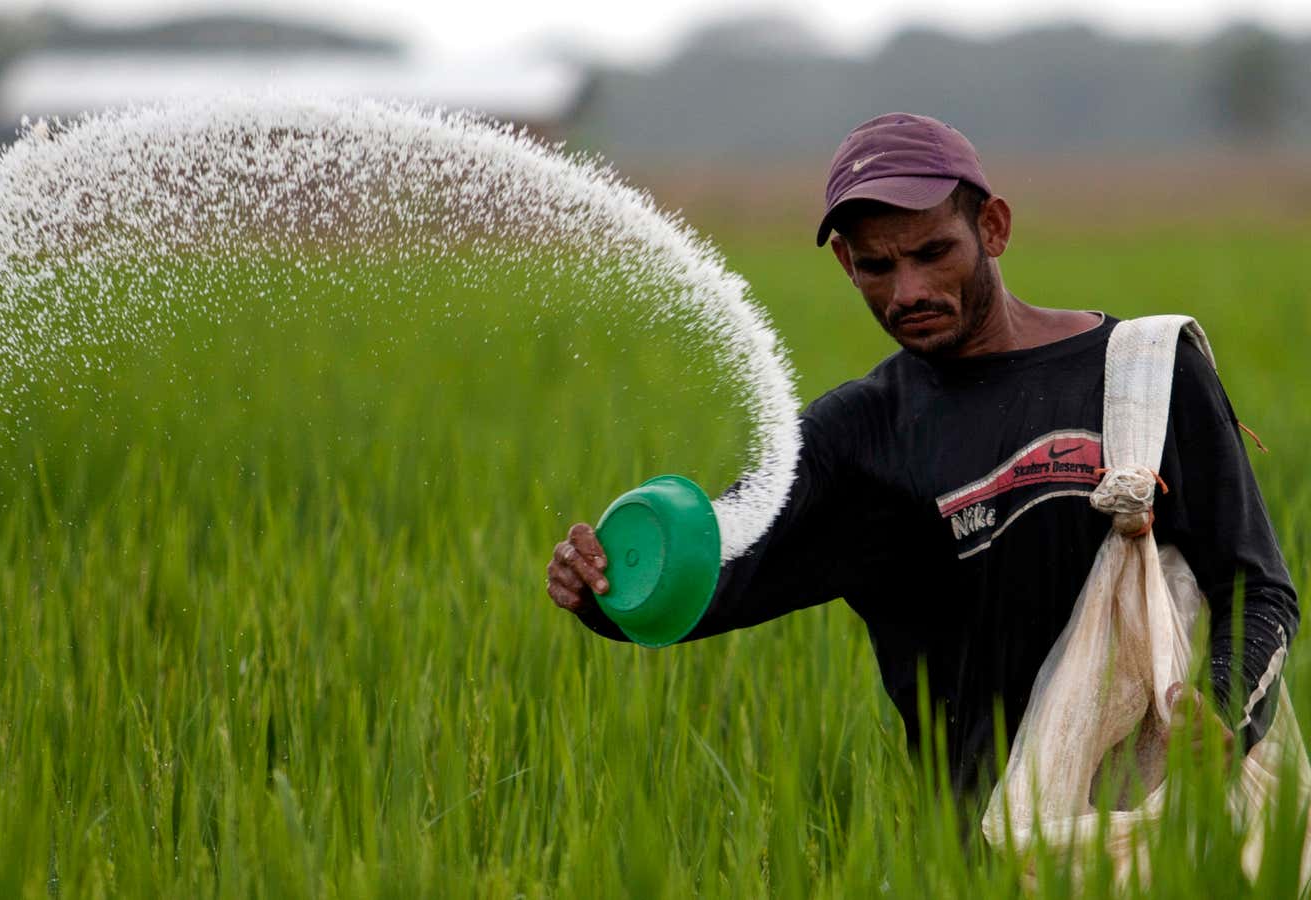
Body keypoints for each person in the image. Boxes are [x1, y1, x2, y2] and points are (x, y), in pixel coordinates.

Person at [543, 112, 1299, 797]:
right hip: (987, 853)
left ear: (993, 228)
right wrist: (604, 589)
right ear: (845, 262)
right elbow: (717, 574)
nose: (908, 291)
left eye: (934, 253)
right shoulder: (859, 437)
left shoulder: (1145, 372)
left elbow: (1255, 585)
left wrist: (1224, 712)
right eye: (876, 267)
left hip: (1163, 823)